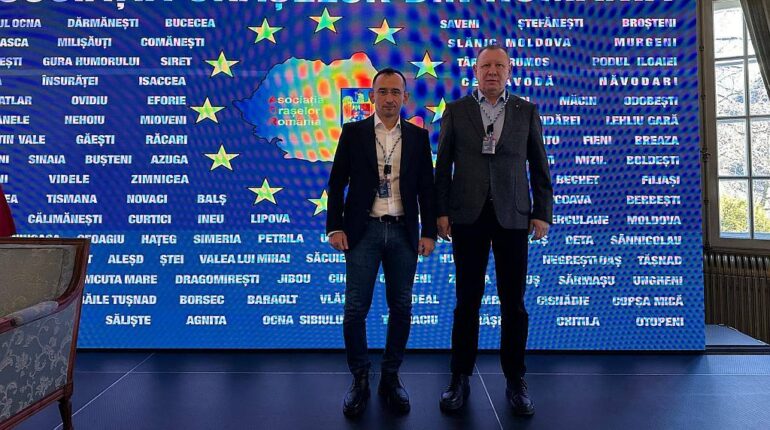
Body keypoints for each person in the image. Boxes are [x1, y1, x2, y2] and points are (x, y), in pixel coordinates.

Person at [435, 46, 553, 416]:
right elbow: (443, 166)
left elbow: (540, 166)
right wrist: (441, 212)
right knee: (466, 302)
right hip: (467, 217)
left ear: (509, 71)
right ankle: (459, 377)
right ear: (475, 70)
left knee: (513, 304)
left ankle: (516, 379)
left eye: (499, 65)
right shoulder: (456, 110)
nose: (492, 71)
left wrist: (542, 213)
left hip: (513, 218)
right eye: (486, 65)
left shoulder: (526, 110)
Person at [326, 67, 437, 417]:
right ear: (372, 96)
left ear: (405, 97)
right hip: (363, 232)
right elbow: (336, 183)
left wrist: (429, 231)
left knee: (401, 307)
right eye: (383, 91)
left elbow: (427, 189)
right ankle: (360, 378)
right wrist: (334, 227)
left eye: (395, 92)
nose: (389, 98)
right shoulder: (353, 132)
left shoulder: (418, 137)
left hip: (404, 233)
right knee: (355, 309)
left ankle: (390, 377)